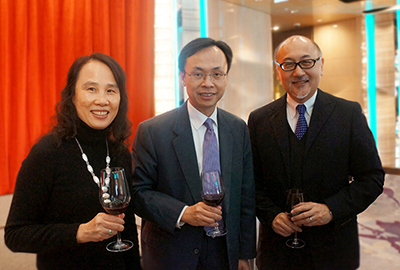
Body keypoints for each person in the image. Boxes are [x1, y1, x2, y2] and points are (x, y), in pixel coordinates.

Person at [248, 35, 385, 270]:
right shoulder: (259, 119)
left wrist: (331, 209)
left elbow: (371, 178)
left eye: (307, 62)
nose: (299, 72)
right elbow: (250, 182)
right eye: (288, 64)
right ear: (278, 71)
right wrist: (271, 216)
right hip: (277, 251)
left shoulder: (348, 115)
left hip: (334, 249)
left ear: (321, 65)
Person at [4, 52, 142, 269]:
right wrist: (80, 232)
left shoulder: (119, 152)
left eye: (111, 90)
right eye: (91, 89)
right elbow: (15, 235)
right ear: (72, 95)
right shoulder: (47, 153)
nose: (102, 100)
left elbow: (128, 229)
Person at [131, 37, 256, 270]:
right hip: (171, 254)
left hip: (224, 252)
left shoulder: (238, 128)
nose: (208, 83)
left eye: (217, 74)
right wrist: (184, 213)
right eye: (198, 74)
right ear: (182, 77)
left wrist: (244, 255)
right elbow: (138, 193)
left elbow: (246, 196)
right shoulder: (153, 131)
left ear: (226, 77)